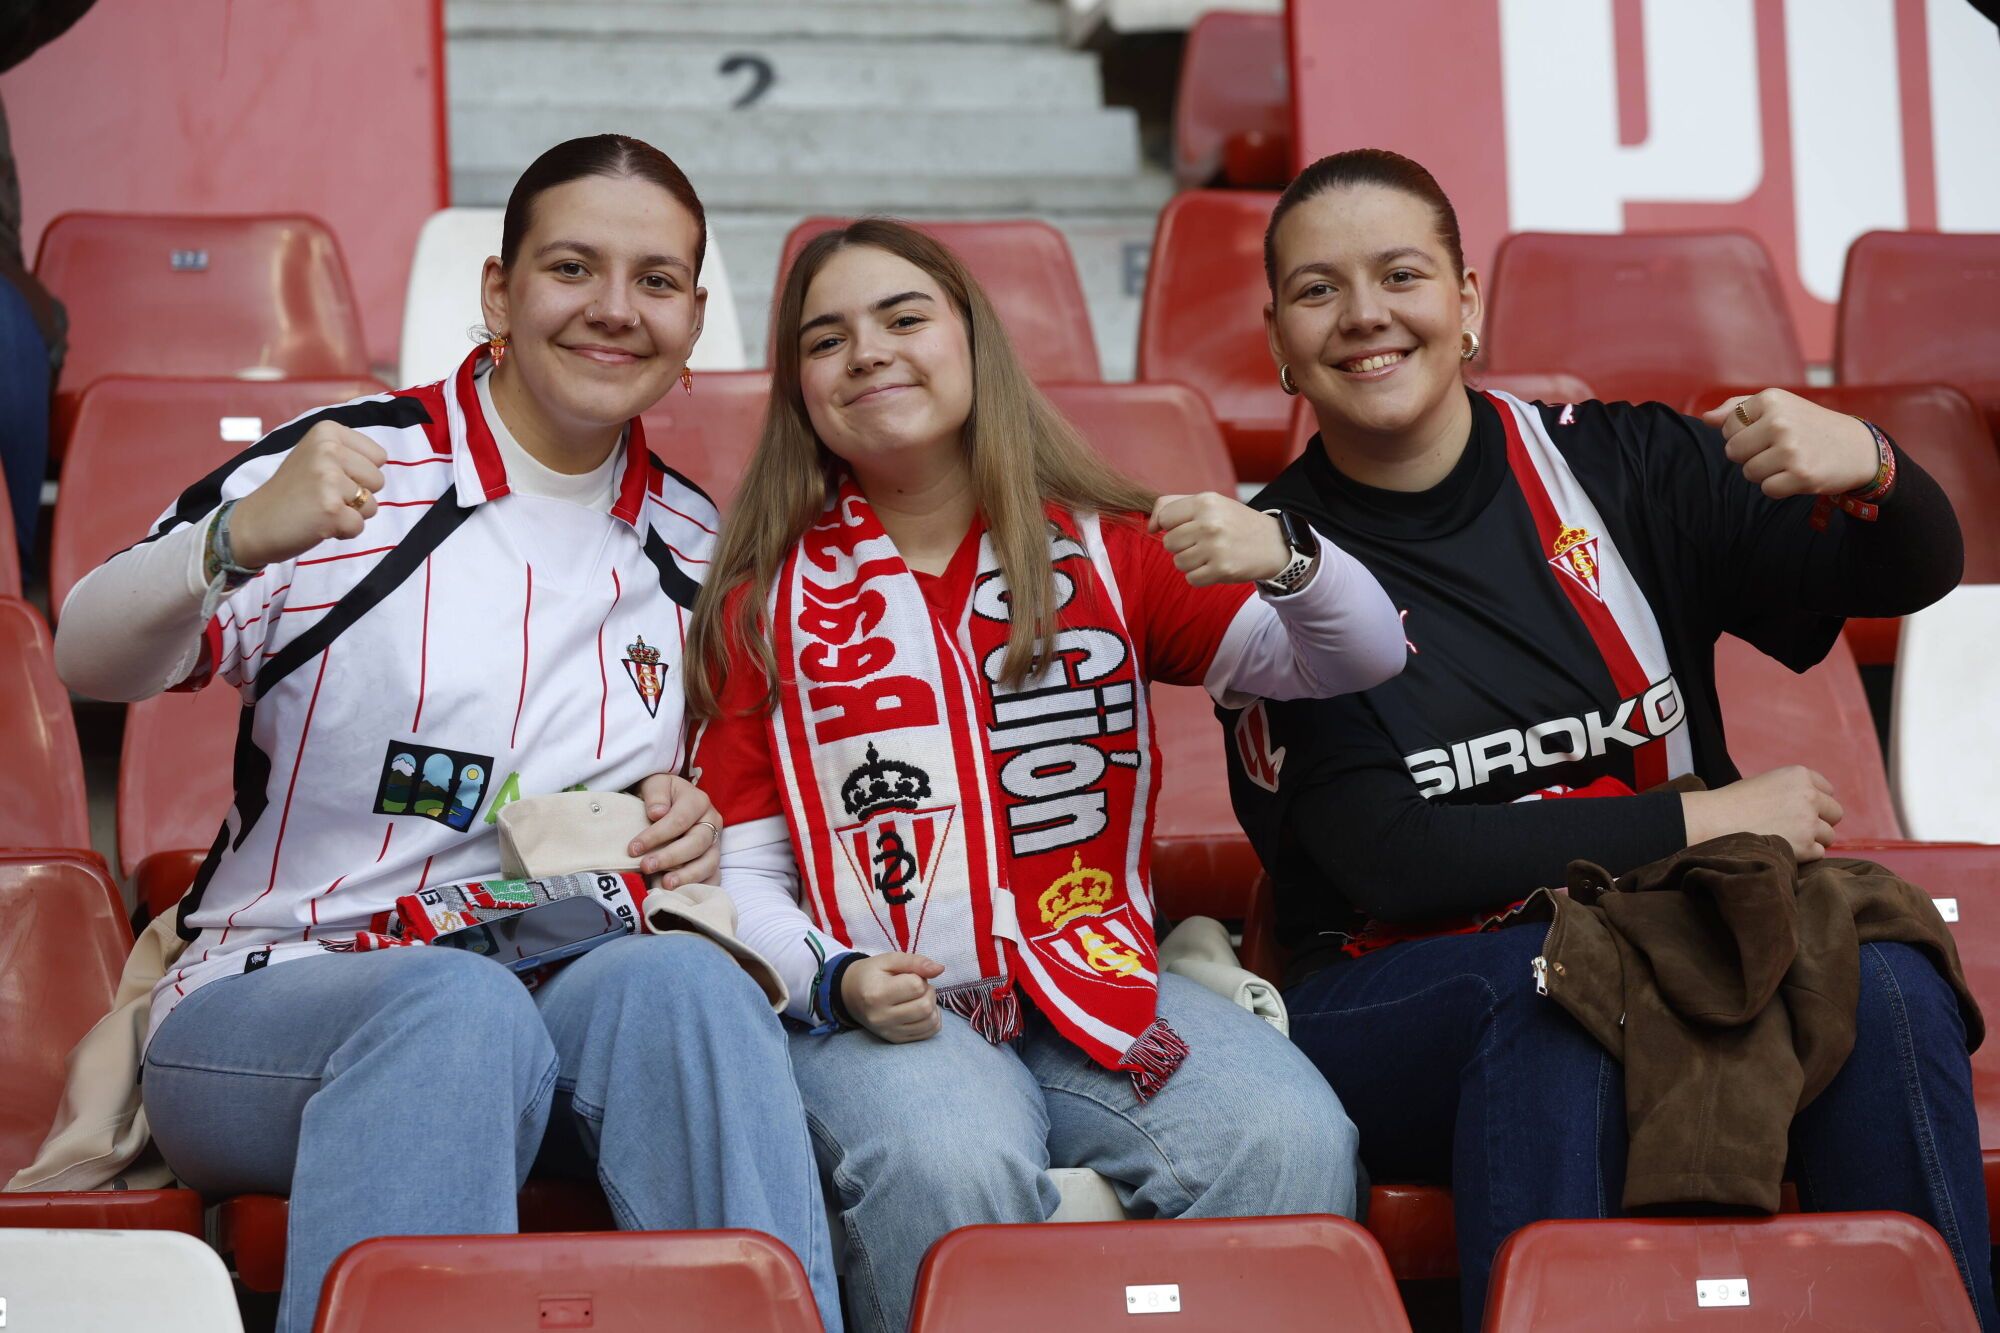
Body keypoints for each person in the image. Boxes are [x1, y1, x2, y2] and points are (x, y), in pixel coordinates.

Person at [53, 135, 839, 1333]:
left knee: (691, 988)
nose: (614, 311)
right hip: (278, 993)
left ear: (691, 323)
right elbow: (86, 656)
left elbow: (694, 803)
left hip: (559, 978)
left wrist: (683, 813)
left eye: (656, 281)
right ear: (497, 293)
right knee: (449, 1013)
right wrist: (232, 541)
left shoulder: (693, 540)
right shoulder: (352, 467)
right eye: (572, 267)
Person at [1230, 148, 1988, 1330]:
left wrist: (1878, 471)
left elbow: (1909, 570)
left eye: (1399, 275)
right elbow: (1381, 856)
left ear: (1466, 302)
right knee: (1552, 994)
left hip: (1663, 948)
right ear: (1274, 333)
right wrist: (1706, 817)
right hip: (1395, 989)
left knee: (1881, 976)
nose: (1365, 314)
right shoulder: (1270, 565)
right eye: (1318, 290)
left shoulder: (1617, 465)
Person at [683, 218, 1407, 1333]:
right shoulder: (757, 600)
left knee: (1287, 1135)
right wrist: (834, 983)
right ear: (800, 391)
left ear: (975, 344)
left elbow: (1356, 655)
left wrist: (1293, 560)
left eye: (903, 317)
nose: (866, 352)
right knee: (946, 1161)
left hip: (1098, 988)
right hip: (890, 1020)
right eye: (824, 340)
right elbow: (742, 875)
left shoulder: (1107, 548)